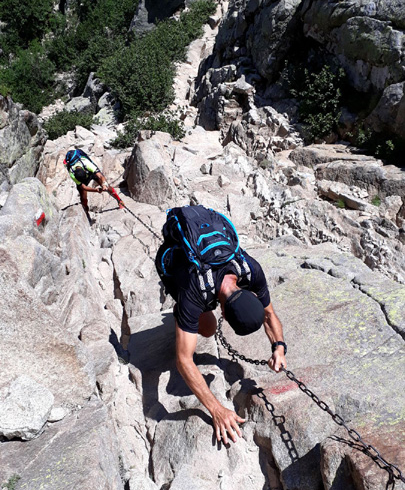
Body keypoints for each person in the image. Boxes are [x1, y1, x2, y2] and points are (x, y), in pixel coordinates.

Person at [155, 205, 286, 446]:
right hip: (174, 266)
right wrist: (216, 409)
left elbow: (269, 315)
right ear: (223, 311)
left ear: (250, 293)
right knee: (207, 328)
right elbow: (183, 360)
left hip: (208, 254)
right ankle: (181, 316)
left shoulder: (251, 270)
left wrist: (279, 347)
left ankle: (188, 320)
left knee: (204, 324)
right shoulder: (195, 290)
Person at [63, 149, 124, 213]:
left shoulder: (87, 163)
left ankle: (119, 200)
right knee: (83, 194)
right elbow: (84, 187)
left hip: (90, 172)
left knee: (107, 186)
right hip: (83, 175)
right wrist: (96, 190)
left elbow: (100, 176)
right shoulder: (72, 173)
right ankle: (85, 210)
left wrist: (104, 184)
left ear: (84, 171)